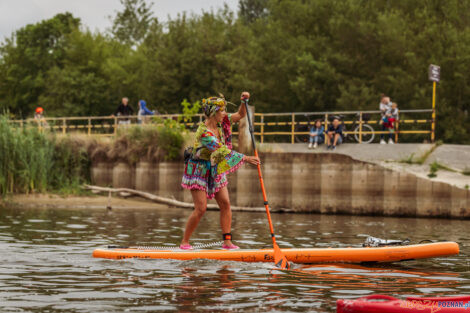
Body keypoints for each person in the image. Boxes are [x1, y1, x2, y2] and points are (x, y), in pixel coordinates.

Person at [180, 92, 260, 250]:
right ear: (213, 113)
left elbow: (241, 114)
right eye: (221, 111)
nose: (224, 113)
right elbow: (221, 150)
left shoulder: (222, 121)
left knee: (225, 203)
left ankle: (227, 243)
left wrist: (244, 101)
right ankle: (184, 242)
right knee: (201, 208)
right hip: (199, 170)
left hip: (215, 168)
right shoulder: (204, 133)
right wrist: (245, 158)